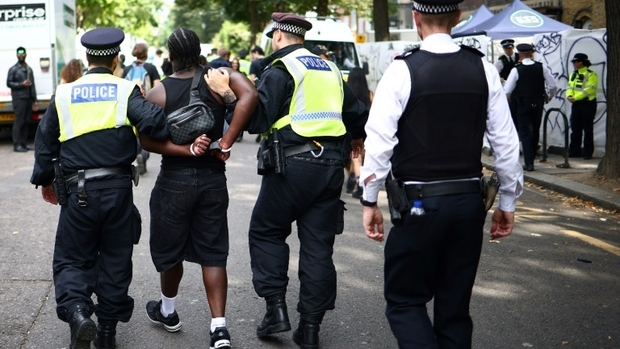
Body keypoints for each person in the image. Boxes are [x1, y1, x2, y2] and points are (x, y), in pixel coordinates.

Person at [360, 1, 523, 348]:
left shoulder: (403, 69)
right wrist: (507, 201)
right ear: (458, 18)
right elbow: (506, 143)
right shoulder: (482, 68)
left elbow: (379, 141)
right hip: (467, 203)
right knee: (454, 309)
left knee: (405, 302)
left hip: (419, 205)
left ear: (416, 18)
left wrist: (369, 199)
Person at [206, 12, 367, 349]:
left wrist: (229, 94)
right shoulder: (331, 69)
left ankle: (275, 309)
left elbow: (256, 120)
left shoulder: (281, 69)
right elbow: (356, 113)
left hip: (292, 167)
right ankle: (310, 328)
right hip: (329, 169)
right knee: (318, 247)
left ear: (277, 36)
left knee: (266, 231)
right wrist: (355, 140)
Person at [30, 27, 171, 349]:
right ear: (116, 59)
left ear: (86, 58)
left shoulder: (64, 93)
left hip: (78, 190)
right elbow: (155, 124)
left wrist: (45, 179)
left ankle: (79, 312)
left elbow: (45, 141)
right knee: (116, 258)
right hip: (118, 190)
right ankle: (107, 332)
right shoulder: (125, 90)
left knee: (71, 259)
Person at [140, 27, 257, 349]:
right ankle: (219, 328)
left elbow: (146, 140)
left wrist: (185, 150)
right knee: (213, 253)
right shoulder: (221, 77)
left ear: (172, 55)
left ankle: (168, 310)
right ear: (199, 52)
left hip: (173, 182)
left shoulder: (159, 93)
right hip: (212, 180)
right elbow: (250, 95)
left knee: (170, 249)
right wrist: (226, 141)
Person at [504, 43, 557, 171]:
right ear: (532, 54)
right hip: (538, 102)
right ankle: (532, 158)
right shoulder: (541, 67)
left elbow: (506, 90)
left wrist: (509, 100)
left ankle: (529, 163)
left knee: (525, 132)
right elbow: (553, 85)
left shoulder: (517, 69)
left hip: (522, 104)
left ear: (520, 55)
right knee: (535, 130)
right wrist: (548, 97)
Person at [123, 42, 162, 175]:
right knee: (145, 132)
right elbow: (157, 87)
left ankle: (137, 153)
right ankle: (143, 156)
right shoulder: (151, 68)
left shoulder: (127, 69)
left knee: (134, 133)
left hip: (130, 104)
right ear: (145, 53)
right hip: (146, 104)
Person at [344, 67, 373, 199]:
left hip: (351, 128)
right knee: (358, 157)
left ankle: (360, 184)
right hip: (366, 129)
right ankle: (352, 181)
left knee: (355, 157)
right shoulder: (370, 94)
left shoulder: (347, 92)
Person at [6, 46, 38, 152]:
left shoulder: (29, 69)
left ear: (26, 54)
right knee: (19, 121)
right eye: (19, 53)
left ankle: (23, 144)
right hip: (19, 99)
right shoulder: (13, 69)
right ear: (16, 55)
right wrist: (21, 84)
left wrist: (34, 100)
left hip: (28, 98)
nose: (21, 55)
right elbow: (9, 83)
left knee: (26, 121)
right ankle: (17, 145)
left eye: (23, 53)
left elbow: (33, 86)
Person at [567, 53, 598, 160]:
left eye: (575, 62)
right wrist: (569, 96)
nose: (574, 64)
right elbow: (570, 86)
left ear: (581, 62)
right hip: (576, 104)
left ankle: (588, 152)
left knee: (587, 129)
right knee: (575, 128)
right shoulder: (574, 74)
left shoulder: (591, 74)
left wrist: (575, 98)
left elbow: (589, 90)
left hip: (587, 104)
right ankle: (574, 151)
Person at [495, 39, 519, 129]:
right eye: (506, 48)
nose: (508, 50)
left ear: (513, 47)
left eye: (509, 48)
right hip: (506, 87)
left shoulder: (518, 57)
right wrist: (499, 79)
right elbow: (495, 74)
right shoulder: (500, 60)